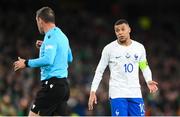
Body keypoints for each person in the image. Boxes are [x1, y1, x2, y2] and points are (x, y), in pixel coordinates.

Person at [88, 19, 158, 116]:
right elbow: (99, 71)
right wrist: (93, 91)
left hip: (135, 92)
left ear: (129, 29)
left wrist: (149, 80)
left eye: (123, 29)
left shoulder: (139, 48)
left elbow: (144, 67)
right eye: (117, 30)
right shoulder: (109, 49)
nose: (120, 32)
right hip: (117, 93)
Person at [13, 6, 73, 116]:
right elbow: (69, 58)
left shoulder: (50, 36)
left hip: (52, 86)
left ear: (40, 20)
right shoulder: (63, 36)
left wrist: (26, 63)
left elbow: (48, 60)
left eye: (36, 21)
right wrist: (45, 46)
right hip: (64, 86)